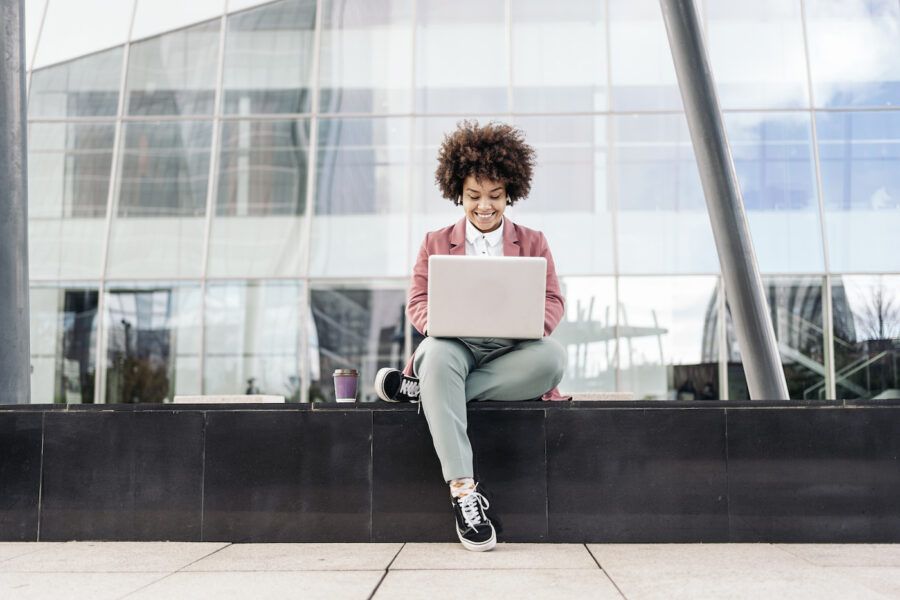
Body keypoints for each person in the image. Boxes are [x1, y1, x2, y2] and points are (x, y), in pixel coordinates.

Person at [373, 120, 569, 552]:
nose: (485, 206)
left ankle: (423, 392)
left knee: (552, 358)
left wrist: (531, 324)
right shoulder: (435, 241)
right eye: (474, 196)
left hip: (512, 350)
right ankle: (464, 494)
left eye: (495, 197)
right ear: (458, 193)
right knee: (438, 356)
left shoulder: (533, 241)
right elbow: (417, 300)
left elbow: (553, 299)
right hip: (453, 345)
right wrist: (436, 322)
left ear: (509, 194)